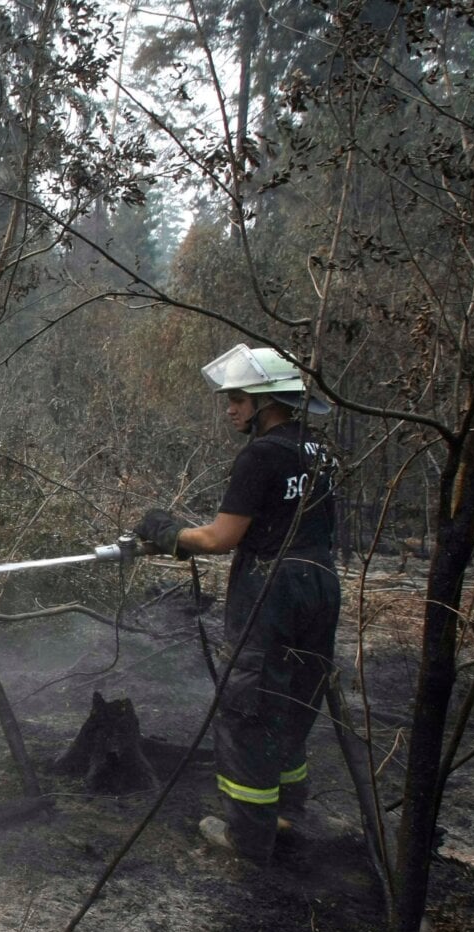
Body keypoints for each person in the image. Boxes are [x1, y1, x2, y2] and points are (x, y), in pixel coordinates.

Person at [133, 344, 340, 863]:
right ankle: (290, 807)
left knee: (249, 706)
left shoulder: (260, 454)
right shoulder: (318, 450)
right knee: (294, 697)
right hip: (319, 582)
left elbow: (222, 538)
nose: (229, 407)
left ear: (265, 401)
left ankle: (248, 836)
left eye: (238, 398)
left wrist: (167, 531)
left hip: (272, 590)